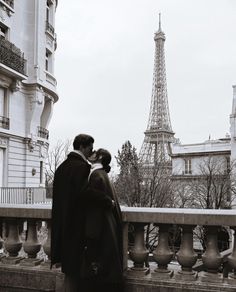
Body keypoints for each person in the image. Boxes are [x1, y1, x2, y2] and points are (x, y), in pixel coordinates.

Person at [51, 134, 113, 292]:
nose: (91, 152)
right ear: (82, 147)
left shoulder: (61, 167)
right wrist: (107, 200)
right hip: (76, 227)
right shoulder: (82, 167)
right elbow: (84, 193)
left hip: (62, 225)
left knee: (69, 271)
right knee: (76, 273)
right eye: (90, 148)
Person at [82, 148, 124, 292]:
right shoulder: (102, 174)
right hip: (108, 226)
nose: (91, 153)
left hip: (100, 228)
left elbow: (93, 206)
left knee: (97, 270)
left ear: (99, 157)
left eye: (94, 152)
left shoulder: (95, 175)